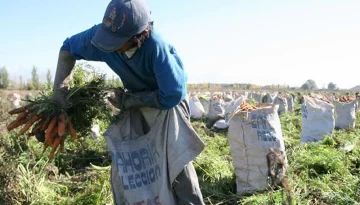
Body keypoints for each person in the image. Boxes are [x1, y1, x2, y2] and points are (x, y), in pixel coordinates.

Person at [51, 0, 205, 204]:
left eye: (118, 41)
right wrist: (59, 100)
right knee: (130, 165)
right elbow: (68, 47)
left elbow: (172, 95)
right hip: (134, 101)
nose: (111, 47)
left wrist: (127, 100)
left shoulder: (156, 47)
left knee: (176, 166)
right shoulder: (102, 39)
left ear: (139, 37)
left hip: (167, 105)